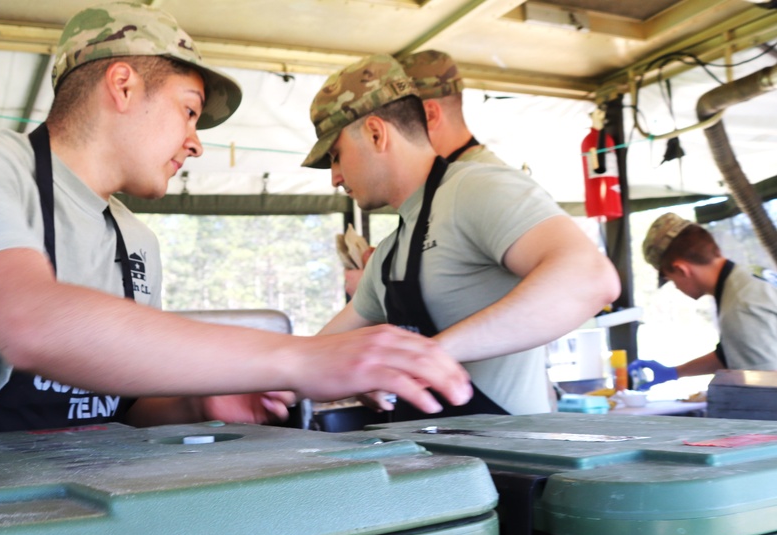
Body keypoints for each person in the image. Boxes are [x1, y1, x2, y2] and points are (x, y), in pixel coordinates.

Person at [0, 7, 472, 535]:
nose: (195, 141)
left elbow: (120, 401)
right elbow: (31, 322)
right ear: (122, 86)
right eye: (189, 110)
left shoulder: (135, 239)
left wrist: (199, 403)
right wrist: (306, 356)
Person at [305, 54, 620, 417]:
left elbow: (590, 279)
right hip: (431, 465)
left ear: (376, 134)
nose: (335, 177)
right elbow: (313, 357)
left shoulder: (476, 188)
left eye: (336, 156)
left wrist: (428, 355)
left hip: (509, 463)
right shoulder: (390, 252)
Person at [341, 50, 508, 297]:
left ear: (428, 116)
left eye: (398, 120)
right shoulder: (441, 182)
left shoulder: (484, 181)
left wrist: (375, 288)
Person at [630, 212, 777, 387]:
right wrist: (675, 372)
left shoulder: (740, 308)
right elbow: (732, 354)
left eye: (671, 280)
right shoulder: (749, 277)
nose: (676, 287)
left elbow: (766, 388)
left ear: (682, 269)